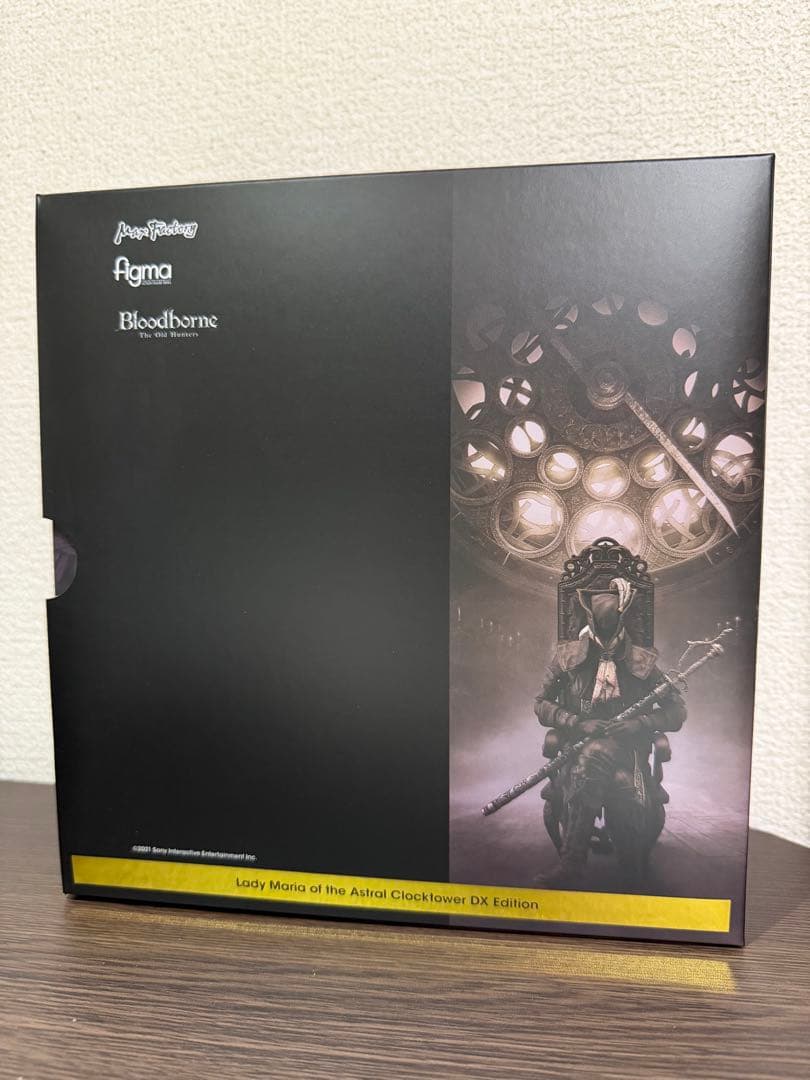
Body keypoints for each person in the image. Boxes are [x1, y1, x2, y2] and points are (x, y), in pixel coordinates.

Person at [534, 577, 686, 883]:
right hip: (578, 747)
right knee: (614, 777)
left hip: (629, 750)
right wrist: (577, 722)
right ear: (590, 619)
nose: (606, 627)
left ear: (621, 619)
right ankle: (632, 869)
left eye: (612, 621)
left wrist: (639, 723)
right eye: (600, 621)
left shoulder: (642, 661)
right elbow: (541, 704)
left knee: (598, 753)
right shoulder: (567, 657)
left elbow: (677, 711)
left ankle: (572, 863)